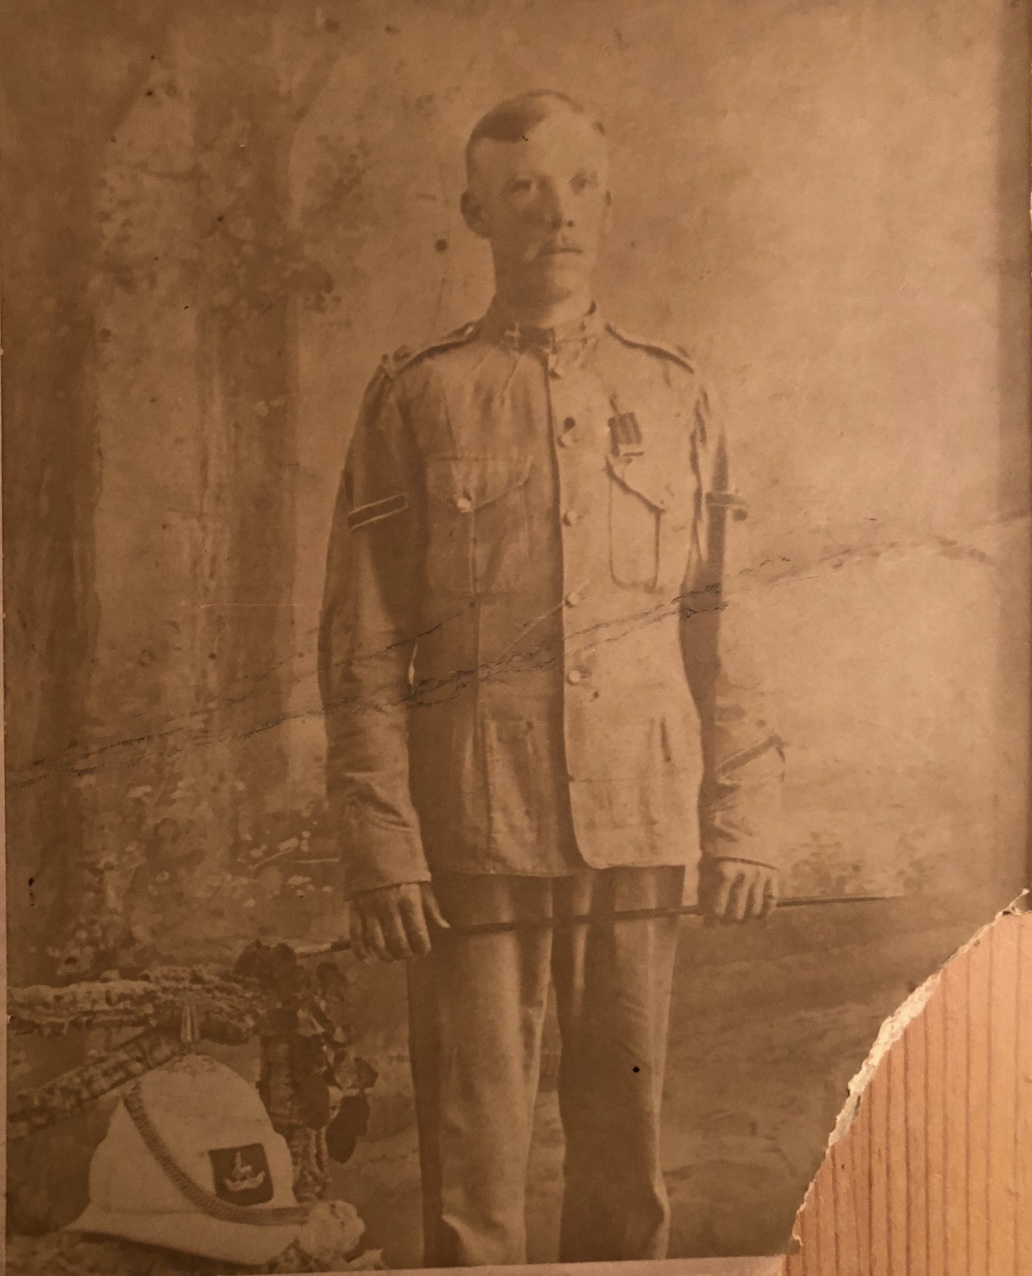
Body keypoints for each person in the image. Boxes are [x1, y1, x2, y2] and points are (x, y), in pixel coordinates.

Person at [318, 90, 783, 1267]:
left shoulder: (677, 393)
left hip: (640, 818)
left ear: (608, 205)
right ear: (476, 212)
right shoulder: (419, 393)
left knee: (626, 1173)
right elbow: (360, 641)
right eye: (522, 188)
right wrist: (383, 847)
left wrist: (743, 821)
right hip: (475, 828)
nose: (554, 212)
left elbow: (726, 621)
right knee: (472, 1179)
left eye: (577, 185)